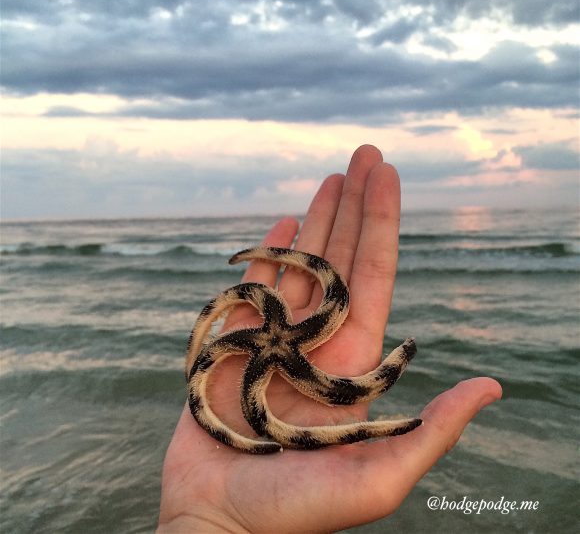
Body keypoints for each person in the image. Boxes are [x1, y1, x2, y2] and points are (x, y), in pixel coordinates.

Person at [157, 145, 502, 533]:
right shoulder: (275, 339)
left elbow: (225, 312)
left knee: (327, 315)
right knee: (285, 401)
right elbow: (223, 358)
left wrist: (207, 519)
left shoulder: (266, 332)